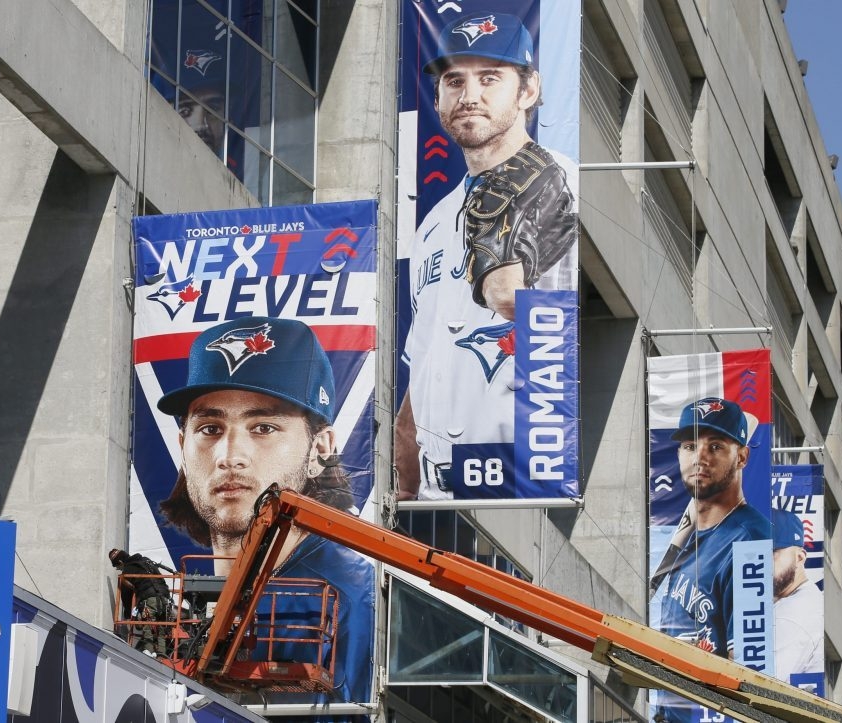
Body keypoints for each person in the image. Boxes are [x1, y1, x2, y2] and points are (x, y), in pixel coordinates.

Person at [395, 12, 578, 501]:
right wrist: (404, 474)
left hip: (518, 475)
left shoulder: (566, 183)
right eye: (454, 80)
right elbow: (425, 353)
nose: (468, 95)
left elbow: (522, 303)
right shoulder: (434, 222)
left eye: (490, 77)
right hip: (435, 492)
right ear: (437, 98)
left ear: (528, 90)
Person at [157, 316, 375, 709]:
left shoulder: (350, 602)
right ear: (183, 448)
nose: (229, 458)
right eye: (209, 428)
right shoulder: (201, 604)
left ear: (320, 449)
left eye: (263, 428)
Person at [652, 397, 771, 723]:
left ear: (742, 457)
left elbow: (748, 667)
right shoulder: (686, 540)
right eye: (690, 446)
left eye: (716, 446)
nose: (700, 457)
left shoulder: (748, 540)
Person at [771, 508, 824, 683]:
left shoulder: (794, 615)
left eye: (772, 554)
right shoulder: (792, 599)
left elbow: (759, 683)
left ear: (799, 558)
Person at [109, 548, 173, 656]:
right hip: (165, 598)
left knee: (147, 624)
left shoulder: (127, 571)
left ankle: (149, 651)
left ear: (120, 562)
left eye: (117, 567)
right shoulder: (146, 561)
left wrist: (128, 614)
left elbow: (126, 595)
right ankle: (162, 654)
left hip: (149, 598)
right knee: (162, 626)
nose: (119, 569)